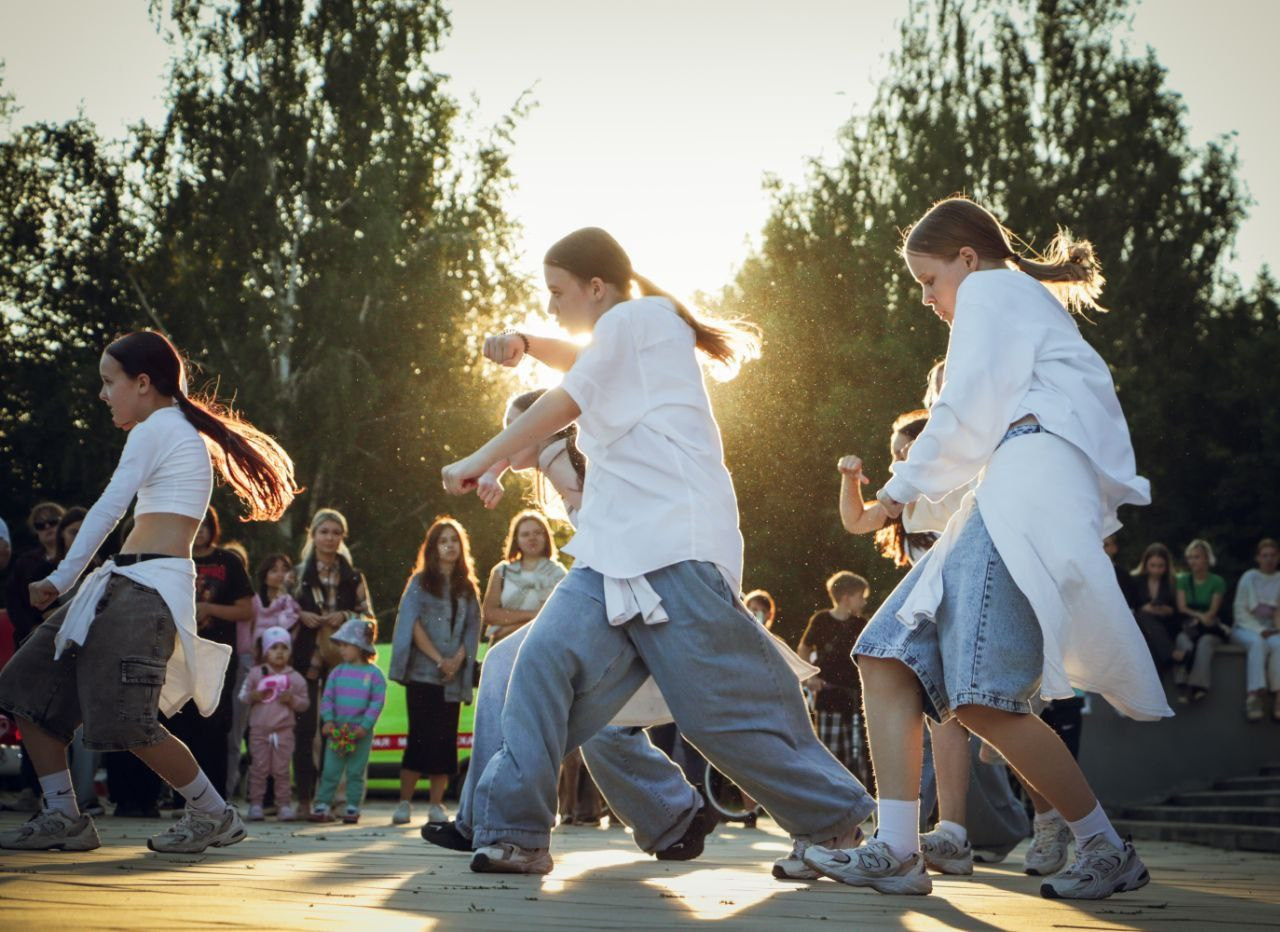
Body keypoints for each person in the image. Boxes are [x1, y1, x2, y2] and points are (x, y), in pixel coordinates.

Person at [441, 227, 874, 877]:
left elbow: (566, 399)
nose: (552, 304)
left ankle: (835, 827)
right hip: (611, 554)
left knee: (715, 711)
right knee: (538, 663)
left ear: (597, 287)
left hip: (677, 546)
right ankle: (517, 833)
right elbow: (579, 367)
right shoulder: (627, 336)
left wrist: (482, 457)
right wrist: (529, 344)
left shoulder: (643, 317)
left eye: (557, 292)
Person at [803, 198, 1168, 900]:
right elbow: (976, 420)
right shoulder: (1015, 301)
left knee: (979, 699)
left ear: (967, 259)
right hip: (1005, 485)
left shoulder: (995, 291)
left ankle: (1101, 843)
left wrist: (891, 494)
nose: (927, 298)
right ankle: (900, 849)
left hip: (1025, 485)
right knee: (886, 654)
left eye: (929, 280)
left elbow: (964, 405)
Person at [0, 329, 297, 854]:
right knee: (26, 690)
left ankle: (212, 814)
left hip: (145, 590)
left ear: (142, 383)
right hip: (121, 584)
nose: (103, 394)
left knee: (126, 722)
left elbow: (110, 506)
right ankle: (63, 815)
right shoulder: (172, 428)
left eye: (108, 382)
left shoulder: (158, 427)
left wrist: (57, 579)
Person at [424, 388, 721, 865]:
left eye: (514, 427)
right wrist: (497, 467)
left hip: (638, 600)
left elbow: (606, 527)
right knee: (509, 664)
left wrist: (496, 464)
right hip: (616, 596)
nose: (505, 437)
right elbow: (525, 450)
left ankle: (675, 814)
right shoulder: (557, 458)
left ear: (542, 426)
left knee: (585, 709)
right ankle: (481, 819)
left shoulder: (568, 459)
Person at [837, 404, 1031, 877]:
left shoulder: (962, 483)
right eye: (895, 454)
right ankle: (951, 834)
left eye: (908, 450)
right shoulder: (909, 494)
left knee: (1006, 717)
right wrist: (849, 477)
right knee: (945, 717)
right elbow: (857, 521)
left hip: (981, 601)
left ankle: (1050, 822)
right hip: (936, 612)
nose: (900, 460)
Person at [388, 517, 482, 826]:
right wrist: (438, 658)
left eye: (454, 540)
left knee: (445, 739)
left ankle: (437, 805)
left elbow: (473, 628)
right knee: (419, 735)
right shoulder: (418, 582)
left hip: (453, 675)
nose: (450, 545)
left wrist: (457, 659)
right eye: (443, 540)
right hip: (422, 673)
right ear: (432, 547)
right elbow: (410, 623)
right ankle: (404, 803)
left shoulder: (467, 587)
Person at [160, 507, 256, 804]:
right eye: (194, 523)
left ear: (214, 528)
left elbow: (248, 610)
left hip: (217, 658)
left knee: (215, 726)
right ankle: (181, 799)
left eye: (205, 524)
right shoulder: (172, 560)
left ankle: (215, 799)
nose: (199, 529)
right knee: (177, 722)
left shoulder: (228, 561)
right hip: (176, 655)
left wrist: (209, 609)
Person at [291, 509, 375, 818]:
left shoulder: (353, 576)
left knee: (340, 728)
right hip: (306, 658)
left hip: (344, 665)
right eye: (323, 531)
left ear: (342, 538)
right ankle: (305, 799)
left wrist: (346, 616)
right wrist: (301, 615)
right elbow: (275, 613)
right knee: (307, 729)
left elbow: (368, 618)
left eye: (335, 532)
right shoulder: (297, 574)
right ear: (312, 535)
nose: (329, 537)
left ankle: (338, 799)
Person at [311, 619, 385, 824]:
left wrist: (364, 726)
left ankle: (352, 806)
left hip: (360, 733)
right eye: (340, 645)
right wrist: (328, 721)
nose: (341, 649)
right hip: (336, 731)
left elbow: (376, 703)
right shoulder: (337, 672)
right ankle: (323, 804)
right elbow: (328, 698)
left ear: (360, 646)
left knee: (355, 771)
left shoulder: (375, 675)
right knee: (330, 770)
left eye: (345, 645)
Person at [798, 573, 870, 781]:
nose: (863, 601)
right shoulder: (821, 620)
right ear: (846, 597)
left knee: (857, 757)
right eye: (860, 596)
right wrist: (809, 676)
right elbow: (804, 647)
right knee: (829, 755)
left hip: (855, 699)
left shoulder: (860, 624)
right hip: (829, 699)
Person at [240, 626, 308, 821]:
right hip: (259, 731)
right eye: (274, 647)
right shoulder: (255, 673)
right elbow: (242, 696)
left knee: (281, 769)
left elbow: (304, 704)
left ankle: (284, 805)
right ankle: (256, 804)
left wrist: (292, 699)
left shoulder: (294, 677)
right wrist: (254, 695)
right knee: (259, 768)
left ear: (289, 651)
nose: (279, 651)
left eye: (284, 647)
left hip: (284, 731)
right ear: (265, 651)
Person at [482, 511, 566, 646]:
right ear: (516, 540)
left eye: (537, 533)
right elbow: (489, 614)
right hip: (503, 646)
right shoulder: (501, 571)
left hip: (542, 645)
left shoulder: (558, 573)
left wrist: (510, 628)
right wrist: (533, 615)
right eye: (525, 534)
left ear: (546, 537)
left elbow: (559, 617)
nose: (532, 538)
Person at [1172, 539, 1229, 703]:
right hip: (1190, 626)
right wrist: (1198, 615)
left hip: (1209, 628)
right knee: (1183, 640)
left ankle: (1196, 686)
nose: (1192, 561)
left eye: (1196, 557)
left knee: (1204, 642)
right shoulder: (1183, 579)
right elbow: (1182, 607)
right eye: (1190, 557)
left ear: (1206, 558)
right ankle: (1182, 681)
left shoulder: (1217, 581)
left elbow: (1212, 613)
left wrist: (1203, 617)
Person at [1231, 538, 1280, 721]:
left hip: (1273, 630)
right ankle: (1254, 696)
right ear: (1258, 558)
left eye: (1273, 555)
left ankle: (1278, 698)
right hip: (1245, 628)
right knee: (1257, 643)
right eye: (1265, 555)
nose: (1269, 559)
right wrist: (1259, 630)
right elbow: (1240, 611)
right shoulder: (1248, 577)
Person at [5, 502, 64, 647]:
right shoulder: (24, 563)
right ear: (35, 531)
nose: (47, 527)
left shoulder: (81, 559)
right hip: (32, 638)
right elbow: (13, 601)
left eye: (53, 521)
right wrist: (31, 627)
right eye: (40, 525)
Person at [1130, 543, 1180, 667]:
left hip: (1167, 625)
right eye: (1153, 565)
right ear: (1146, 564)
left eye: (1160, 566)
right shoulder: (1136, 580)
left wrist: (1168, 610)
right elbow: (1132, 606)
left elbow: (1179, 610)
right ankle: (1170, 653)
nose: (1156, 570)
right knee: (1141, 616)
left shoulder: (1173, 582)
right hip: (1144, 627)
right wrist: (1145, 608)